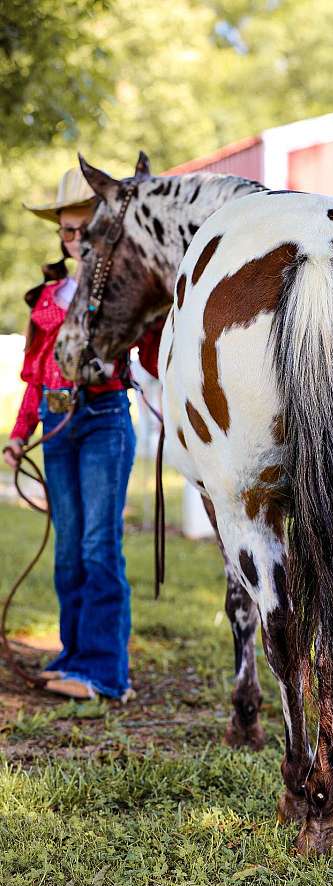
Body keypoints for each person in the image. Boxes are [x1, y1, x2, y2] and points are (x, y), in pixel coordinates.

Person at [3, 167, 160, 701]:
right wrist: (20, 432)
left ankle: (106, 671)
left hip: (104, 418)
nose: (74, 240)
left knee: (99, 547)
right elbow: (35, 372)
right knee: (69, 548)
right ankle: (74, 655)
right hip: (56, 421)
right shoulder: (50, 295)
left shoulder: (118, 289)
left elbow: (150, 343)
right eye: (66, 231)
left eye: (82, 229)